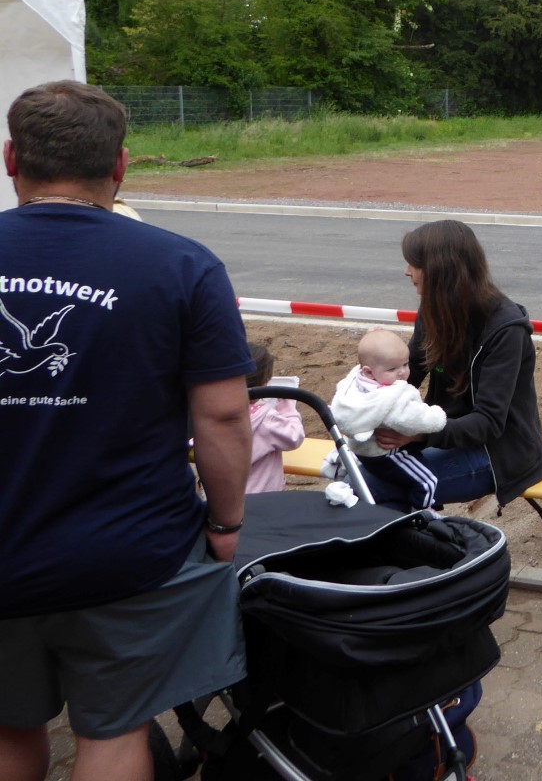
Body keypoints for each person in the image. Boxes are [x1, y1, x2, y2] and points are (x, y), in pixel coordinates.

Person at [0, 81, 253, 781]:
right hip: (128, 554)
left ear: (11, 157)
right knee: (113, 731)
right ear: (120, 165)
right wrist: (226, 523)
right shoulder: (182, 265)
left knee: (9, 728)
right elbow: (224, 414)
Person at [360, 220, 542, 510]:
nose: (407, 271)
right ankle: (416, 535)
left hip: (497, 453)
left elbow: (488, 423)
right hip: (439, 435)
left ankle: (423, 536)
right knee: (356, 474)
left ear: (440, 269)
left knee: (372, 486)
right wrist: (367, 392)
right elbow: (406, 375)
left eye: (414, 263)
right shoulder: (434, 310)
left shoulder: (505, 329)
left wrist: (418, 434)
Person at [332, 328, 448, 509]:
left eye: (405, 364)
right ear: (369, 372)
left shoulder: (355, 383)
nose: (402, 372)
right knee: (428, 481)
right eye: (392, 369)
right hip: (387, 454)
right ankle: (423, 513)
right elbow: (412, 420)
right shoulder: (388, 397)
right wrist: (437, 417)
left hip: (362, 451)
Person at [245, 342, 305, 494]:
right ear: (263, 382)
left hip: (226, 497)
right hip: (265, 496)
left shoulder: (218, 413)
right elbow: (294, 436)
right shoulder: (266, 419)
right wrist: (286, 406)